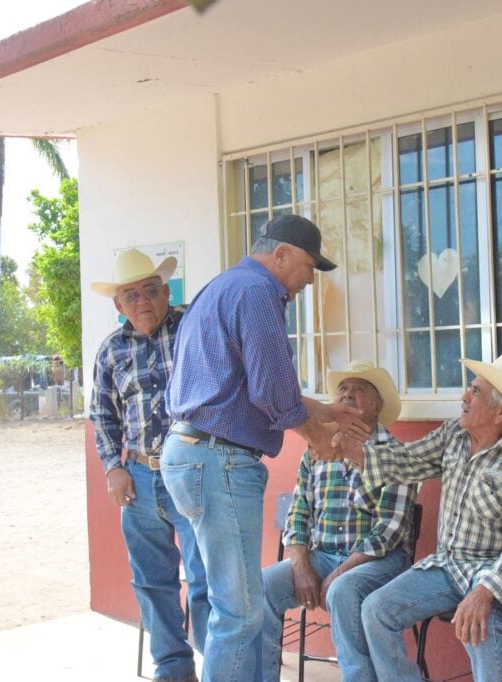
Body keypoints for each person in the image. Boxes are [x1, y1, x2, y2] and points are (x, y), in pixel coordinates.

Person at [160, 214, 370, 682]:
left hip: (192, 454)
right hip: (220, 461)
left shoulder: (225, 286)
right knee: (239, 614)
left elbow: (241, 382)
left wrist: (324, 411)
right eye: (310, 267)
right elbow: (271, 387)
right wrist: (317, 438)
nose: (310, 280)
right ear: (281, 255)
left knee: (233, 606)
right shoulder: (259, 292)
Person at [339, 354, 502, 682]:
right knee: (376, 610)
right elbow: (407, 461)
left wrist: (483, 592)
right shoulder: (454, 436)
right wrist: (351, 452)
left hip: (498, 573)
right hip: (448, 566)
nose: (464, 397)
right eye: (469, 388)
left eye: (475, 392)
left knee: (480, 624)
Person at [89, 248, 209, 682]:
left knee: (204, 578)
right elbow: (101, 414)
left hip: (193, 471)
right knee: (153, 582)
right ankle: (174, 670)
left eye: (150, 290)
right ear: (118, 304)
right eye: (131, 294)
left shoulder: (193, 328)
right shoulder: (111, 351)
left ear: (165, 292)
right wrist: (111, 467)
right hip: (138, 477)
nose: (142, 301)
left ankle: (216, 664)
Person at [261, 359, 416, 682]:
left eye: (359, 389)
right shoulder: (316, 449)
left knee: (343, 590)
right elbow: (299, 511)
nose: (347, 394)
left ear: (377, 405)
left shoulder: (396, 455)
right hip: (322, 555)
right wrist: (302, 566)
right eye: (343, 388)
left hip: (378, 561)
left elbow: (389, 530)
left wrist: (339, 573)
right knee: (263, 587)